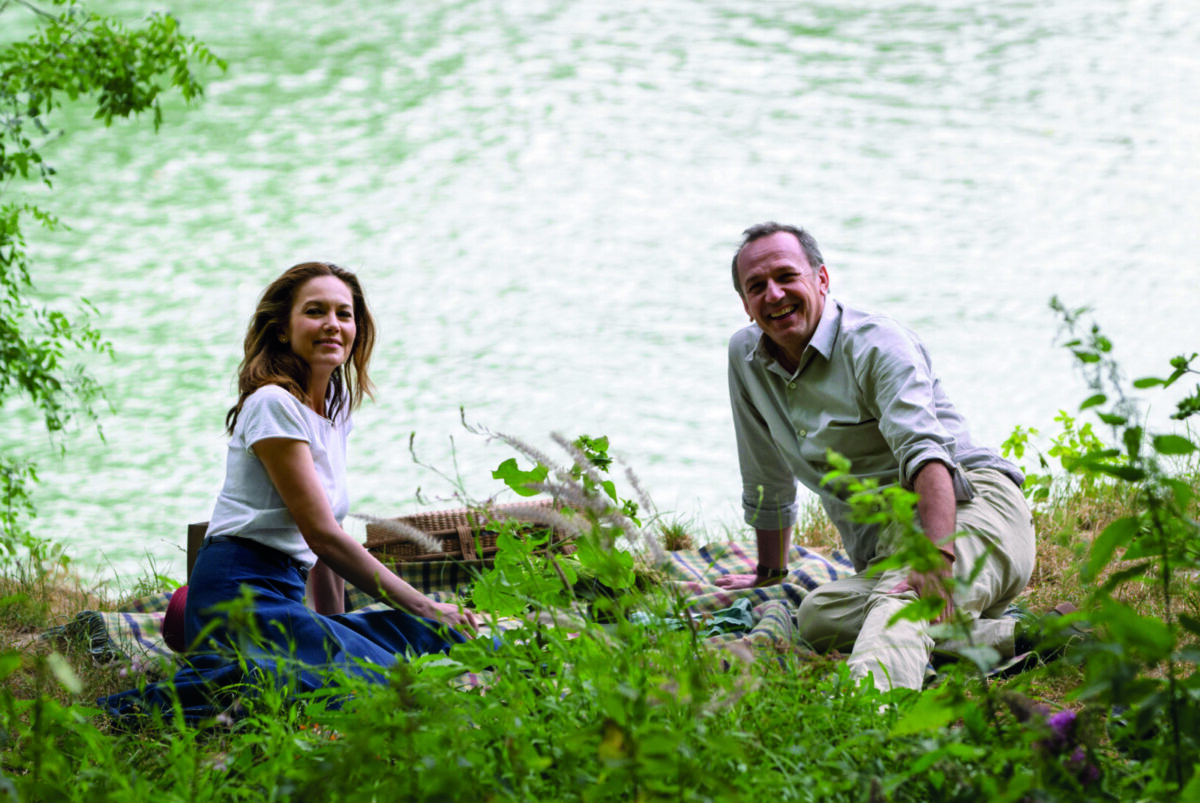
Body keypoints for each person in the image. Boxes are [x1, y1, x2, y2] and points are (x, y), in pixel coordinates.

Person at [102, 262, 478, 723]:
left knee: (428, 639)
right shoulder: (272, 404)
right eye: (315, 312)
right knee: (383, 681)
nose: (332, 324)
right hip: (238, 596)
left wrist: (334, 627)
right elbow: (323, 536)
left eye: (344, 314)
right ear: (282, 329)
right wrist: (424, 603)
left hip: (284, 595)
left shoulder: (335, 410)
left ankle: (267, 668)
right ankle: (157, 702)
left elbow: (327, 537)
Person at [716, 223, 1036, 691]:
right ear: (745, 303)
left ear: (821, 279)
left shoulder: (877, 343)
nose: (774, 294)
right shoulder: (745, 356)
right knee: (818, 617)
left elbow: (927, 455)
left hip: (970, 505)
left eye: (786, 276)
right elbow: (766, 473)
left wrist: (937, 554)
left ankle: (871, 715)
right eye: (756, 286)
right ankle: (1024, 636)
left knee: (904, 599)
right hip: (889, 547)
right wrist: (769, 573)